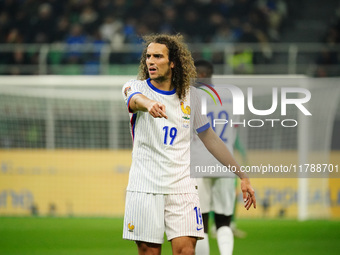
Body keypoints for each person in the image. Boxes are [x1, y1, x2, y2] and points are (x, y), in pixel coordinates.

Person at [121, 34, 256, 255]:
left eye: (158, 56)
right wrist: (149, 104)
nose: (151, 61)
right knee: (149, 252)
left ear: (172, 62)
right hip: (145, 187)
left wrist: (242, 176)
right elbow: (135, 100)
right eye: (148, 57)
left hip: (182, 188)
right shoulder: (135, 87)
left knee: (186, 251)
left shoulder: (190, 96)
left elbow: (211, 138)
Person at [193, 59, 246, 255]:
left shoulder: (191, 98)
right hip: (226, 164)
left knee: (202, 223)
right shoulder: (229, 96)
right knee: (224, 220)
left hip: (199, 163)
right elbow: (235, 129)